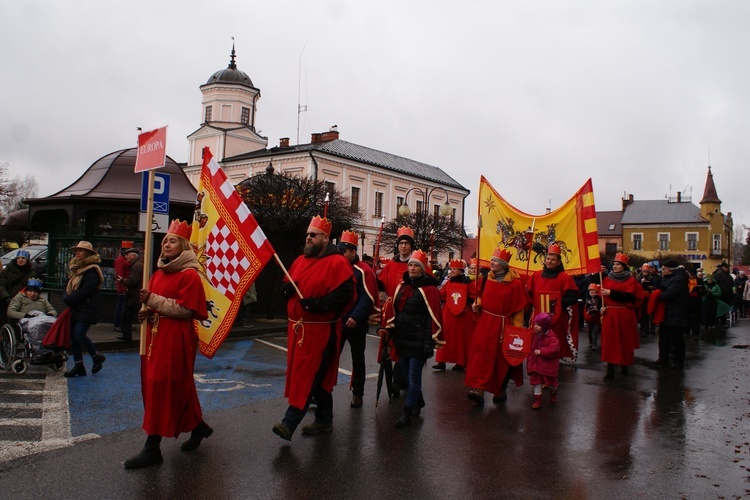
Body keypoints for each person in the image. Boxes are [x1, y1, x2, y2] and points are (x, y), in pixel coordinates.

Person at [124, 220, 210, 469]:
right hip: (155, 336)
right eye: (165, 241)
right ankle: (199, 426)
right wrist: (146, 312)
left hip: (175, 338)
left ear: (183, 245)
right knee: (172, 385)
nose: (167, 245)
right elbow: (155, 304)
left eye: (172, 241)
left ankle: (152, 448)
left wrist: (153, 300)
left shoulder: (190, 275)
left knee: (161, 385)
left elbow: (185, 309)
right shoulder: (159, 273)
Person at [272, 216, 354, 441]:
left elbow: (344, 295)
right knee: (318, 377)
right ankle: (324, 420)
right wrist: (286, 291)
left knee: (309, 375)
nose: (308, 237)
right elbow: (288, 283)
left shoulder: (338, 263)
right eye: (307, 234)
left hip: (321, 331)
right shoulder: (300, 260)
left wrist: (318, 304)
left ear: (325, 238)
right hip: (299, 331)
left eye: (313, 234)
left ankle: (290, 422)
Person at [465, 247, 530, 405]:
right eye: (492, 260)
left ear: (503, 264)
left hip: (504, 325)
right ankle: (478, 388)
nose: (492, 263)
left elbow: (519, 310)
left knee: (501, 359)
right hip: (485, 322)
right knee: (481, 355)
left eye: (495, 261)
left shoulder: (515, 284)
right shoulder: (487, 279)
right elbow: (479, 297)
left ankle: (500, 388)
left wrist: (517, 331)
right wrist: (477, 305)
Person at [386, 249, 442, 427]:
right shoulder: (403, 286)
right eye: (410, 265)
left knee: (413, 377)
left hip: (418, 341)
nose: (411, 268)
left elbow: (431, 317)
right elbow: (396, 310)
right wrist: (389, 330)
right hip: (402, 338)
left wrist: (428, 342)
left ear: (422, 269)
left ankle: (406, 412)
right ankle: (418, 402)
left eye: (415, 266)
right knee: (404, 373)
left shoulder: (430, 289)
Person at [337, 230, 380, 408]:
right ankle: (323, 391)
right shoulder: (337, 267)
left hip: (356, 323)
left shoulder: (364, 271)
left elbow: (367, 297)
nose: (341, 255)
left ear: (353, 252)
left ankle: (358, 393)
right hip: (338, 322)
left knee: (357, 360)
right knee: (331, 359)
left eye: (344, 252)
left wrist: (355, 316)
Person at [527, 244, 580, 360]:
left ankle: (552, 371)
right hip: (537, 317)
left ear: (558, 262)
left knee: (552, 347)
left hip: (555, 318)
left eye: (553, 259)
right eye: (548, 259)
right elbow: (529, 296)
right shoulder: (535, 275)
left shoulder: (565, 277)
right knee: (535, 344)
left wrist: (556, 303)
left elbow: (572, 298)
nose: (549, 261)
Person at [62, 241, 106, 378]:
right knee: (73, 337)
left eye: (81, 251)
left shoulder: (92, 270)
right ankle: (79, 365)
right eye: (77, 251)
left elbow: (87, 289)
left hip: (87, 307)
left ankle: (96, 356)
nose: (77, 253)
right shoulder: (75, 269)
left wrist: (70, 298)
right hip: (76, 307)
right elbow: (67, 284)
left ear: (88, 253)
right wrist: (66, 296)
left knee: (79, 334)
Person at [599, 253, 642, 380]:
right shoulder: (606, 279)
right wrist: (601, 306)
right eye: (614, 264)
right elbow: (602, 296)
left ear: (624, 267)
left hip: (624, 314)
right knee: (609, 342)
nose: (615, 266)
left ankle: (624, 365)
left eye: (618, 264)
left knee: (624, 340)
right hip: (610, 313)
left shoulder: (630, 280)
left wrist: (611, 293)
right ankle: (610, 369)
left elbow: (629, 297)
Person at [434, 259, 474, 372]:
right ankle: (441, 361)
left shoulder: (467, 283)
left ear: (461, 271)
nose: (451, 271)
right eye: (451, 269)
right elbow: (442, 294)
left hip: (463, 314)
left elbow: (473, 296)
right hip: (448, 313)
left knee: (460, 339)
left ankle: (460, 363)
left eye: (454, 269)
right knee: (445, 336)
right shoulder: (448, 282)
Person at [8, 278, 57, 363]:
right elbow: (10, 312)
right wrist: (25, 315)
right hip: (27, 320)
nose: (32, 294)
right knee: (37, 326)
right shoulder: (19, 298)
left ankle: (56, 348)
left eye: (35, 292)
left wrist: (50, 314)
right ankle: (41, 352)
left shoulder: (42, 300)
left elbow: (52, 310)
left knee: (55, 323)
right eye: (30, 291)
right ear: (26, 291)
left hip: (42, 318)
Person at [654, 260, 689, 369]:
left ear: (668, 270)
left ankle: (678, 361)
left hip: (676, 314)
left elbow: (669, 294)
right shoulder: (669, 279)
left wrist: (657, 295)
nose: (661, 271)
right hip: (668, 313)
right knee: (664, 337)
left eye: (663, 269)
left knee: (676, 339)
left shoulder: (678, 279)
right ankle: (663, 358)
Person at [527, 312, 560, 410]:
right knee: (536, 382)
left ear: (545, 326)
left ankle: (554, 392)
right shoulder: (534, 335)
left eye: (538, 325)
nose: (535, 326)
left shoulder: (552, 338)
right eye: (535, 324)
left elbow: (553, 350)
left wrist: (541, 351)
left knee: (551, 384)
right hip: (536, 364)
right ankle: (537, 401)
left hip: (547, 366)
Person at [0, 249, 36, 325]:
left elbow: (34, 287)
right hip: (7, 301)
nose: (20, 260)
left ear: (27, 260)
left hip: (24, 302)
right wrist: (6, 297)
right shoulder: (8, 270)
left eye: (23, 258)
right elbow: (1, 284)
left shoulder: (31, 272)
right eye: (18, 258)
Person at [117, 247, 143, 342]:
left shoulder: (136, 266)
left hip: (134, 297)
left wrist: (122, 281)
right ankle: (126, 335)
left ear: (133, 255)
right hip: (135, 296)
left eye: (127, 255)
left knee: (126, 316)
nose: (126, 257)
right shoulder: (137, 265)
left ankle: (127, 336)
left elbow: (133, 281)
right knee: (127, 316)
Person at [113, 241, 133, 332]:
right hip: (123, 287)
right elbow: (119, 275)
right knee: (121, 306)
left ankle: (123, 324)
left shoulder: (122, 260)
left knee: (124, 307)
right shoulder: (120, 261)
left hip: (126, 286)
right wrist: (123, 289)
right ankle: (117, 324)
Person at [714, 261, 734, 327]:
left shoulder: (729, 276)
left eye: (728, 267)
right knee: (720, 309)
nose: (727, 268)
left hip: (727, 295)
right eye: (726, 267)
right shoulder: (718, 275)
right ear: (722, 267)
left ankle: (723, 322)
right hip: (720, 295)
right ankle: (718, 322)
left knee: (725, 309)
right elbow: (715, 284)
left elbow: (731, 285)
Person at [583, 283, 602, 350]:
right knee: (590, 331)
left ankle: (594, 343)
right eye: (591, 291)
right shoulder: (586, 298)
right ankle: (590, 342)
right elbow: (585, 307)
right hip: (589, 317)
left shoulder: (600, 299)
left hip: (597, 316)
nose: (593, 292)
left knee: (595, 331)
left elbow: (601, 306)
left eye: (594, 291)